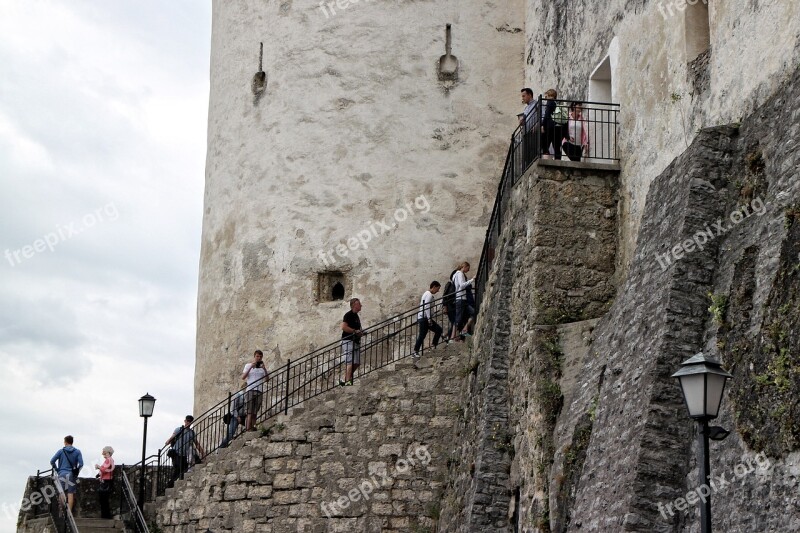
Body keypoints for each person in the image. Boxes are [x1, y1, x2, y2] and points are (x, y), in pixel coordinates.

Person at [165, 415, 205, 487]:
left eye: (190, 421)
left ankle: (176, 486)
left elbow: (197, 444)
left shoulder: (191, 433)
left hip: (184, 455)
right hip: (176, 453)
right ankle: (170, 486)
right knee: (178, 468)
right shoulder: (179, 429)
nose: (188, 423)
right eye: (187, 421)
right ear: (185, 421)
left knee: (183, 470)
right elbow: (172, 437)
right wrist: (168, 441)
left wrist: (202, 452)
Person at [50, 435, 84, 512]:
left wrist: (57, 470)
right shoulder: (77, 451)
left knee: (61, 492)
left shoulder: (61, 451)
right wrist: (76, 472)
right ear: (72, 442)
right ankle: (69, 513)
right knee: (70, 493)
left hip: (61, 473)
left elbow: (52, 461)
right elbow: (81, 464)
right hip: (72, 475)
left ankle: (61, 513)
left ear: (65, 442)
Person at [413, 281, 443, 358]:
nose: (438, 291)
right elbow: (426, 306)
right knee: (434, 331)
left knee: (426, 334)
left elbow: (428, 307)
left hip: (424, 318)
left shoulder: (427, 294)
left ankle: (431, 346)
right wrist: (429, 319)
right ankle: (416, 351)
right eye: (438, 288)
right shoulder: (429, 294)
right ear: (434, 287)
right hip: (424, 318)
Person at [242, 350, 269, 431]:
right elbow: (243, 377)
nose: (259, 358)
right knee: (249, 411)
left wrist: (264, 369)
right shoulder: (248, 365)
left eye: (260, 357)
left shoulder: (262, 368)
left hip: (259, 390)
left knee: (255, 411)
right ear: (254, 357)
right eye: (257, 356)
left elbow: (267, 379)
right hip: (250, 389)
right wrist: (251, 367)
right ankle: (248, 428)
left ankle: (253, 428)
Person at [339, 298, 363, 386]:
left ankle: (345, 379)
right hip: (348, 340)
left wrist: (360, 333)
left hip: (355, 341)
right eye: (359, 304)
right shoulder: (348, 315)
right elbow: (343, 327)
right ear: (354, 305)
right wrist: (354, 331)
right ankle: (348, 382)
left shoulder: (356, 316)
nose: (361, 305)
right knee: (350, 362)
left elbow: (357, 329)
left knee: (356, 363)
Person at [451, 262, 475, 341]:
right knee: (458, 319)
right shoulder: (460, 274)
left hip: (462, 299)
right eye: (468, 268)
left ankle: (464, 330)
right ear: (465, 266)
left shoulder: (455, 275)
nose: (468, 270)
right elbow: (461, 285)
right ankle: (452, 337)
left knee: (473, 313)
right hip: (460, 299)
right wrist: (472, 280)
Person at [540, 89, 564, 160]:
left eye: (546, 95)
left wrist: (542, 125)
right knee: (556, 146)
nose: (545, 97)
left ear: (550, 95)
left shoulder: (549, 102)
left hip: (549, 126)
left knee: (545, 144)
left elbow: (547, 115)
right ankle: (558, 162)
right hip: (557, 126)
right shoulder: (556, 103)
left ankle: (546, 160)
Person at [94, 446, 115, 519]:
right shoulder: (110, 460)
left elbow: (104, 469)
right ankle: (106, 515)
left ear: (107, 452)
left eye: (104, 450)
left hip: (106, 482)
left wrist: (98, 467)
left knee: (103, 500)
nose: (102, 452)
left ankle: (105, 515)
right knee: (104, 500)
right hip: (107, 481)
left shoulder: (108, 460)